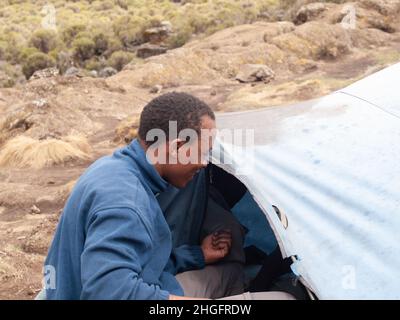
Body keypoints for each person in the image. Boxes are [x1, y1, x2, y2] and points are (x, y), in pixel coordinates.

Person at [41, 92, 294, 300]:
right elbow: (110, 292)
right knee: (284, 300)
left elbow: (140, 263)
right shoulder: (125, 202)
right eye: (202, 153)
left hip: (148, 283)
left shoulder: (116, 168)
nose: (205, 164)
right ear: (177, 148)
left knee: (232, 275)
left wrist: (198, 255)